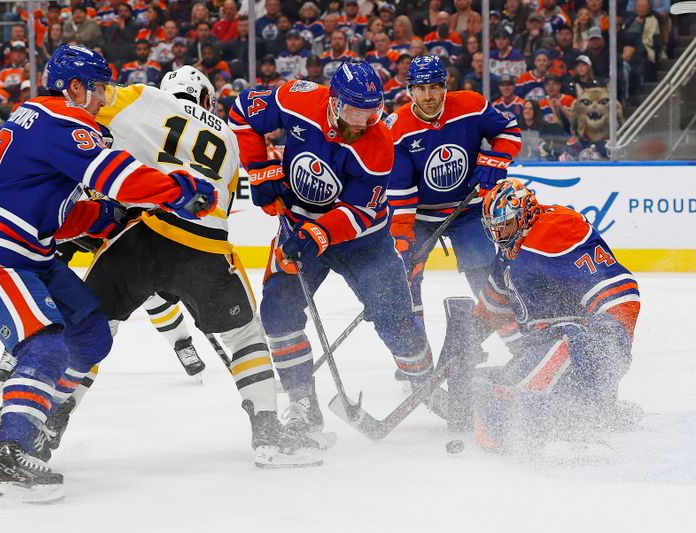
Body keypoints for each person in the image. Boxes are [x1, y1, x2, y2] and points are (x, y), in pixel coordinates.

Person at [0, 45, 217, 506]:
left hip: (30, 246)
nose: (104, 98)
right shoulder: (62, 119)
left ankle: (33, 418)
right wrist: (181, 186)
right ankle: (11, 449)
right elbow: (122, 178)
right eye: (99, 88)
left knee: (91, 334)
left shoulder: (41, 120)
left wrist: (107, 220)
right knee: (46, 342)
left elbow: (59, 212)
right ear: (74, 87)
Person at [56, 66, 320, 467]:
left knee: (89, 331)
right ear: (206, 98)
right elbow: (222, 207)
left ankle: (44, 425)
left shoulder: (147, 100)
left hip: (141, 238)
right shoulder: (229, 136)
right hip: (203, 244)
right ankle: (268, 435)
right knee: (245, 337)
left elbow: (90, 114)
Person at [229, 61, 432, 439]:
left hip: (363, 240)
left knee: (394, 316)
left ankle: (426, 380)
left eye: (373, 112)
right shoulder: (297, 100)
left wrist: (315, 235)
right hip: (298, 226)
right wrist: (259, 169)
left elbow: (359, 211)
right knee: (278, 310)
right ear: (335, 102)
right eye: (356, 111)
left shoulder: (378, 145)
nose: (363, 121)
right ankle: (302, 401)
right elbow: (243, 112)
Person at [447, 178, 640, 454]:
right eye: (495, 228)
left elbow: (619, 288)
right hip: (562, 341)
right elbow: (493, 305)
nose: (500, 234)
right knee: (492, 380)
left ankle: (568, 424)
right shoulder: (512, 251)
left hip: (597, 343)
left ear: (525, 214)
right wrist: (468, 340)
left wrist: (609, 332)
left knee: (564, 346)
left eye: (506, 225)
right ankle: (592, 410)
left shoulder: (557, 230)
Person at [386, 55, 521, 322]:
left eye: (435, 87)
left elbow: (509, 129)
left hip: (467, 209)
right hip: (420, 215)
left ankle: (517, 343)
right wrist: (401, 238)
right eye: (421, 88)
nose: (428, 95)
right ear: (410, 90)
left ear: (445, 86)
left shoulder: (471, 105)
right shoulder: (396, 127)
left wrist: (496, 159)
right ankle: (415, 357)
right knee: (406, 282)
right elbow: (400, 192)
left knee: (486, 277)